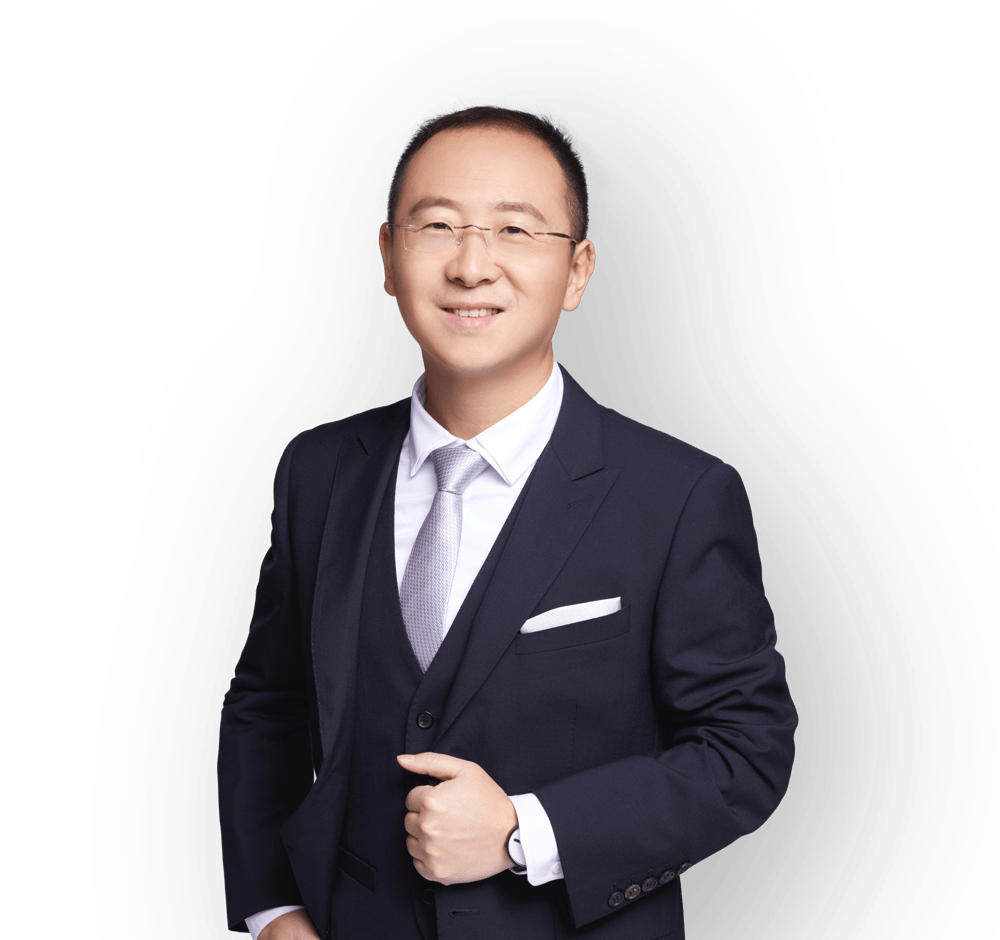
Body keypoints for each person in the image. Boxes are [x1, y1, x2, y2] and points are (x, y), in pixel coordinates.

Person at [217, 101, 798, 940]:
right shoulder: (318, 469)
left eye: (516, 230)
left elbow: (746, 749)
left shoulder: (678, 494)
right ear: (388, 257)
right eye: (437, 226)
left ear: (577, 271)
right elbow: (268, 704)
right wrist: (273, 910)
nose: (471, 265)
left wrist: (528, 832)